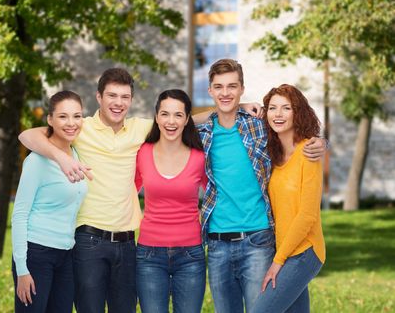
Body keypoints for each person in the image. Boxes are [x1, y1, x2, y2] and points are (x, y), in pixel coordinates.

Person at [18, 68, 261, 313]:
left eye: (124, 97)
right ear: (99, 98)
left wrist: (236, 107)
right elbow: (27, 135)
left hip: (127, 243)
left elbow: (180, 119)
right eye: (112, 96)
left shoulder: (140, 130)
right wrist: (62, 158)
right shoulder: (81, 127)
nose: (118, 103)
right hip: (88, 239)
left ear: (131, 101)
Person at [196, 59, 326, 313]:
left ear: (242, 88)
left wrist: (323, 143)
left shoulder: (258, 126)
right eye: (219, 87)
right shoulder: (203, 133)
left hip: (259, 241)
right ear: (210, 90)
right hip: (218, 244)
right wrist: (229, 108)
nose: (226, 93)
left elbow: (297, 131)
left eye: (232, 87)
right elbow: (175, 121)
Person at [11, 90, 88, 313]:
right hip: (36, 255)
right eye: (63, 116)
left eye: (77, 116)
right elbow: (19, 215)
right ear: (50, 120)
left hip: (66, 254)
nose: (71, 123)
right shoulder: (36, 161)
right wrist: (22, 269)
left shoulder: (77, 154)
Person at [252, 84, 325, 313]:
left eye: (286, 108)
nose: (278, 114)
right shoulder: (273, 155)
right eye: (273, 108)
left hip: (304, 251)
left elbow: (307, 215)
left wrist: (278, 261)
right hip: (285, 250)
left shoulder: (308, 153)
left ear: (298, 112)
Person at [135, 89, 207, 313]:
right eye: (165, 114)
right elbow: (125, 190)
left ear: (187, 120)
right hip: (148, 255)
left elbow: (219, 196)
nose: (171, 121)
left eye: (178, 115)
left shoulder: (199, 157)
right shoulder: (142, 153)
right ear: (156, 118)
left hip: (190, 256)